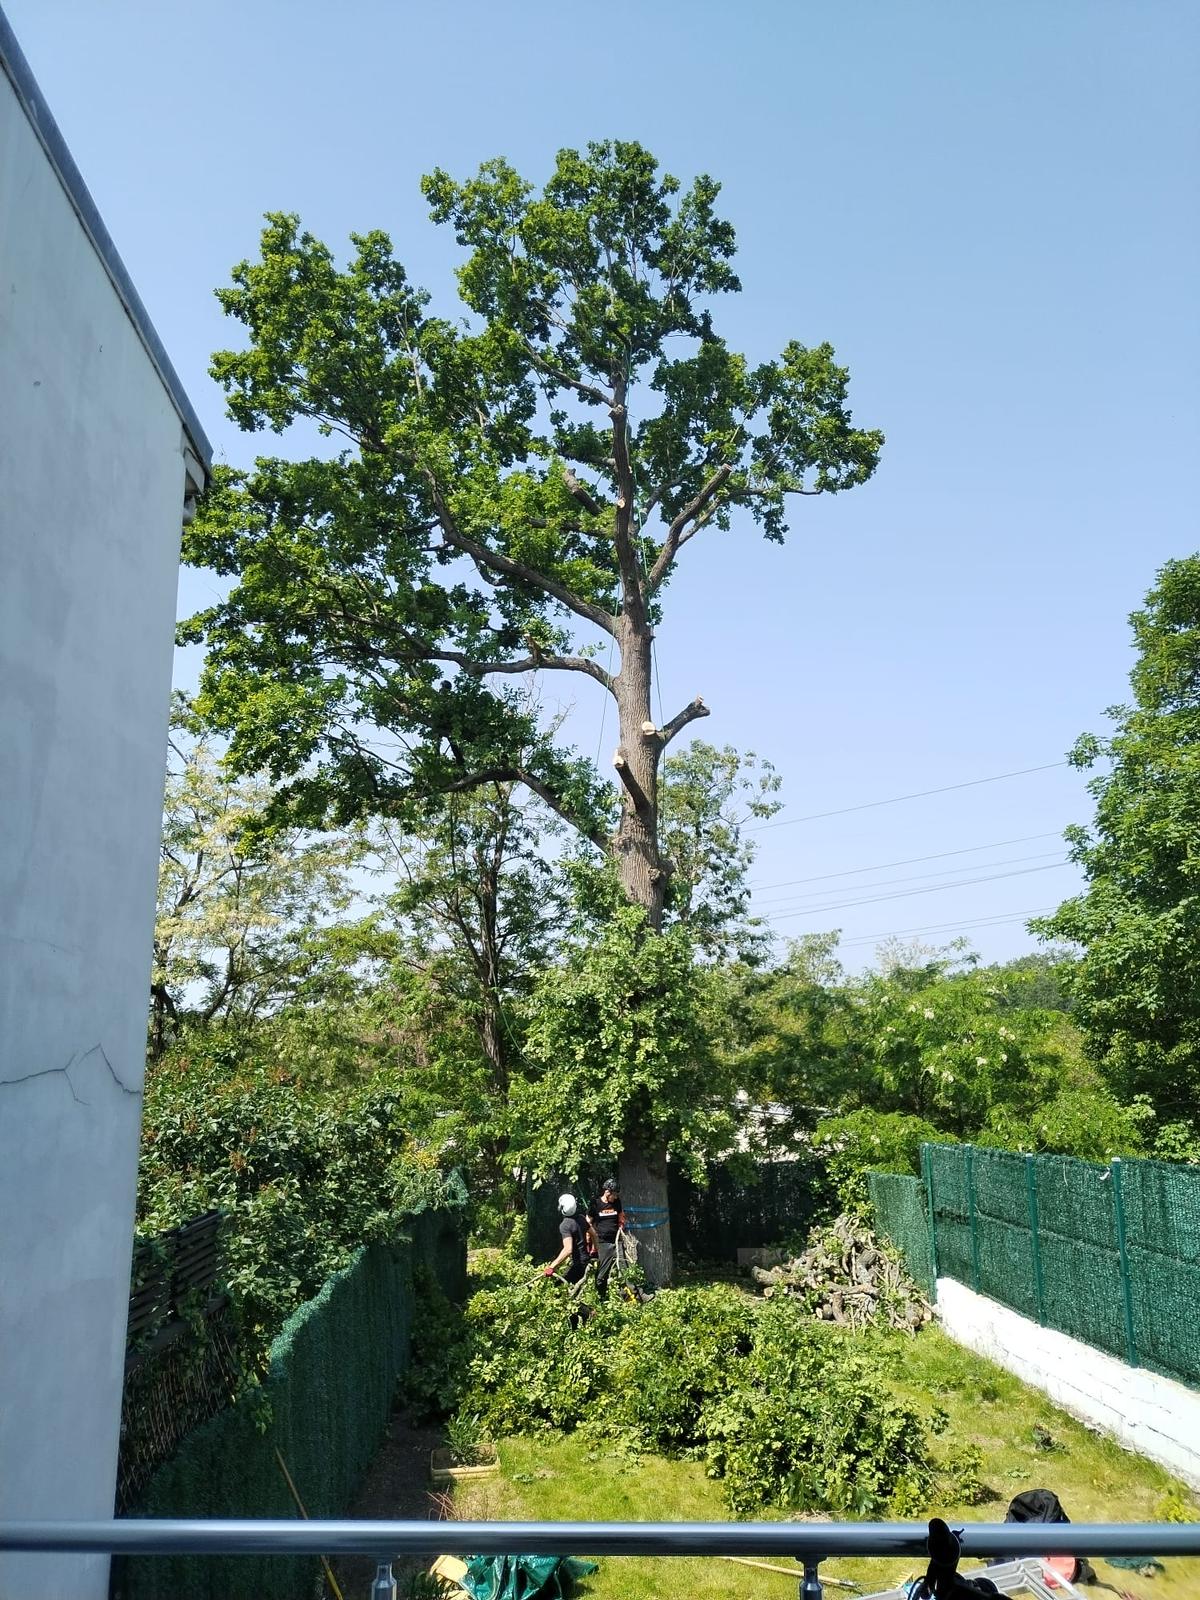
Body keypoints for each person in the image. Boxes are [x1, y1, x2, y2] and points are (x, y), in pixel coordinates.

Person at [587, 1177, 625, 1300]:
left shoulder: (617, 1202)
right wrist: (589, 1242)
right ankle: (601, 1297)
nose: (616, 1197)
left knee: (624, 1269)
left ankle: (633, 1296)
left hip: (617, 1241)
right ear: (607, 1192)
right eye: (614, 1195)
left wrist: (621, 1224)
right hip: (602, 1243)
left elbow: (621, 1215)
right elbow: (588, 1223)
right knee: (602, 1275)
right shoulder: (596, 1204)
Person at [543, 1193, 589, 1288]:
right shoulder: (582, 1218)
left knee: (558, 1287)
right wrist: (594, 1251)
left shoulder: (565, 1225)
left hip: (578, 1263)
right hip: (585, 1259)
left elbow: (568, 1250)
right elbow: (594, 1234)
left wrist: (552, 1266)